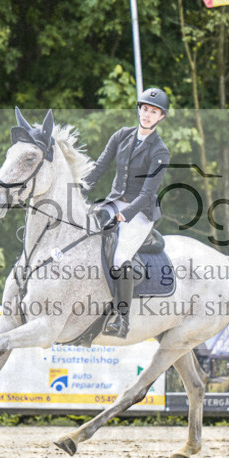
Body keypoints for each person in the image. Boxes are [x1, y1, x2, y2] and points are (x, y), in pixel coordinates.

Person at [81, 87, 171, 337]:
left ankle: (122, 319)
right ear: (139, 109)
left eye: (154, 112)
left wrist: (123, 215)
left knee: (121, 259)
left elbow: (146, 194)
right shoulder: (121, 136)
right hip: (112, 202)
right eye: (145, 109)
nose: (148, 114)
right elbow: (99, 167)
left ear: (161, 117)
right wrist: (78, 186)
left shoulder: (160, 151)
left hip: (139, 212)